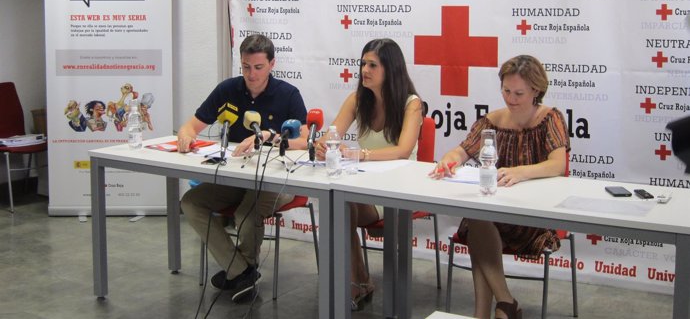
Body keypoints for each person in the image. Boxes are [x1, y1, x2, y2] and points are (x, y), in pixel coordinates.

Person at [431, 54, 570, 319]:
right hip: (494, 211)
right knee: (479, 219)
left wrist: (520, 173)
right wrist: (448, 161)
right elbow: (461, 151)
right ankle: (505, 303)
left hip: (532, 215)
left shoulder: (550, 118)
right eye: (506, 91)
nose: (510, 98)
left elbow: (557, 165)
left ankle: (494, 309)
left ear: (536, 91)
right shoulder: (491, 122)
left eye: (518, 93)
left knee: (478, 226)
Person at [178, 34, 307, 302]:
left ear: (272, 64)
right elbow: (191, 125)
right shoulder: (227, 90)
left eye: (258, 67)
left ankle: (240, 271)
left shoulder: (288, 95)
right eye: (246, 67)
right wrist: (186, 135)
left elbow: (304, 141)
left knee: (246, 211)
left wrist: (271, 137)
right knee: (191, 202)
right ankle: (241, 270)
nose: (251, 74)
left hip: (275, 180)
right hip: (234, 176)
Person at [316, 38, 422, 311]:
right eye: (363, 63)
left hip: (398, 189)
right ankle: (358, 278)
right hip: (364, 184)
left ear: (391, 69)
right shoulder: (357, 99)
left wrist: (359, 154)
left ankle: (359, 280)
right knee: (338, 201)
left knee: (344, 204)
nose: (364, 70)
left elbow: (402, 151)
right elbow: (333, 134)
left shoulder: (411, 104)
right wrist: (323, 143)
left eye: (373, 65)